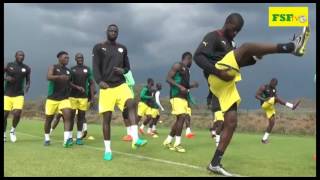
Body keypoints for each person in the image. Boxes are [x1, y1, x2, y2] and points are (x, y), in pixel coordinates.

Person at [194, 13, 310, 176]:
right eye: (234, 29)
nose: (235, 33)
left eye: (238, 31)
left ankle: (215, 163)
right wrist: (218, 72)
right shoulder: (214, 36)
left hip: (227, 84)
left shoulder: (231, 43)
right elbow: (197, 56)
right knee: (247, 47)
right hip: (217, 75)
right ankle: (291, 47)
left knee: (232, 123)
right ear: (227, 23)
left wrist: (254, 58)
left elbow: (239, 61)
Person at [92, 24, 147, 161]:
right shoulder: (98, 47)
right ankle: (108, 150)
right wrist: (99, 81)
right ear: (107, 32)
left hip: (121, 84)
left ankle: (135, 138)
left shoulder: (122, 48)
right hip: (107, 87)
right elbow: (95, 66)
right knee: (107, 119)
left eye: (115, 31)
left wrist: (124, 71)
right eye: (111, 30)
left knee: (132, 104)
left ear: (118, 33)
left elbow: (127, 67)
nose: (113, 32)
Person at [162, 52, 199, 153]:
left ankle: (168, 141)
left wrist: (192, 85)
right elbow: (168, 78)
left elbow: (184, 85)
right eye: (191, 61)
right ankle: (177, 144)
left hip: (184, 98)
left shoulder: (187, 71)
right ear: (189, 59)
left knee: (180, 120)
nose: (192, 63)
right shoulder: (178, 65)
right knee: (182, 117)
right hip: (176, 95)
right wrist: (180, 87)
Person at [43, 51, 74, 147]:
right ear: (59, 58)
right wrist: (59, 77)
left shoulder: (69, 71)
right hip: (52, 98)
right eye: (65, 57)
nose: (67, 59)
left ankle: (66, 140)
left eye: (68, 58)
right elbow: (48, 77)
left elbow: (69, 83)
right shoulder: (53, 67)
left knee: (68, 115)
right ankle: (47, 138)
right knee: (49, 119)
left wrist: (77, 88)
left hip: (64, 98)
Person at [255, 78, 300, 144]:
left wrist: (276, 101)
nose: (274, 85)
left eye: (275, 84)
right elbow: (256, 95)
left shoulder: (274, 90)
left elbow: (276, 99)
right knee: (276, 98)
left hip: (270, 106)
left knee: (272, 123)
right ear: (270, 82)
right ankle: (292, 106)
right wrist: (264, 99)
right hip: (265, 104)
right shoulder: (264, 87)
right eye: (273, 83)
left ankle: (264, 139)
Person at [68, 53, 95, 145]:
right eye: (78, 57)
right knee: (71, 118)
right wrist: (77, 87)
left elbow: (91, 83)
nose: (80, 59)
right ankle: (70, 137)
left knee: (81, 117)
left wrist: (92, 98)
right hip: (72, 97)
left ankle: (79, 137)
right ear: (75, 59)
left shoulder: (87, 69)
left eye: (82, 57)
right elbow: (69, 82)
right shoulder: (72, 69)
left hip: (83, 97)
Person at [4, 50, 31, 142]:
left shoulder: (26, 68)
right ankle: (4, 134)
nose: (21, 57)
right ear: (15, 56)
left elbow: (28, 80)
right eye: (20, 55)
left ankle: (12, 131)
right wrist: (6, 77)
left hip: (19, 94)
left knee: (17, 113)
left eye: (23, 55)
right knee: (5, 115)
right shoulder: (9, 65)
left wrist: (27, 86)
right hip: (7, 94)